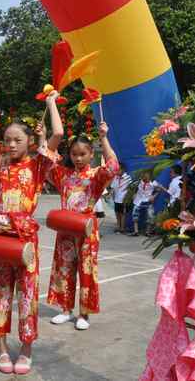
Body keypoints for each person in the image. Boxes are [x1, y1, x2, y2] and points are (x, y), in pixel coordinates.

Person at [0, 93, 63, 375]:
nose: (11, 144)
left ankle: (25, 349)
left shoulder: (38, 165)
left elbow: (58, 132)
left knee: (26, 296)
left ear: (30, 142)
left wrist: (51, 103)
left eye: (17, 140)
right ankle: (1, 349)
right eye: (7, 139)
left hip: (25, 241)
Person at [45, 124, 119, 332]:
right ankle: (65, 309)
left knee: (86, 271)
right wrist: (44, 135)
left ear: (90, 154)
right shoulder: (63, 175)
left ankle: (84, 313)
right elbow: (46, 158)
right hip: (65, 230)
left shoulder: (96, 175)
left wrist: (104, 138)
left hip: (87, 230)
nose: (78, 158)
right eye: (74, 154)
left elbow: (113, 166)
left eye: (82, 154)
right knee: (64, 269)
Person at [130, 172, 164, 237]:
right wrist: (134, 194)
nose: (145, 177)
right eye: (144, 175)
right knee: (135, 214)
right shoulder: (139, 181)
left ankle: (147, 232)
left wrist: (154, 196)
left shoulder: (153, 183)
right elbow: (132, 187)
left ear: (150, 176)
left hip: (148, 201)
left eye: (147, 176)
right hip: (138, 201)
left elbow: (159, 189)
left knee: (150, 216)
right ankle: (136, 231)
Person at [110, 163, 132, 233]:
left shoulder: (128, 178)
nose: (116, 171)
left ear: (123, 170)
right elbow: (113, 187)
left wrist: (127, 197)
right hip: (116, 199)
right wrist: (111, 193)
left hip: (123, 199)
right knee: (117, 213)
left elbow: (131, 189)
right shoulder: (115, 177)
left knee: (123, 214)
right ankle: (118, 226)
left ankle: (122, 228)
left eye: (118, 170)